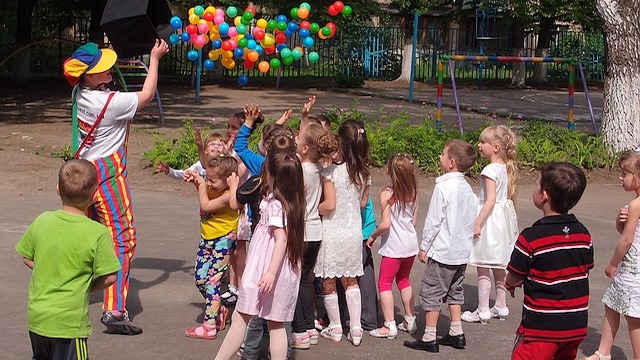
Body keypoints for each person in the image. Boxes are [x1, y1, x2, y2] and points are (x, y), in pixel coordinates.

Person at [62, 39, 169, 335]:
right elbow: (147, 95)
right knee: (122, 238)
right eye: (102, 68)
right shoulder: (110, 103)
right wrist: (156, 58)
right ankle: (114, 309)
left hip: (82, 170)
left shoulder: (79, 93)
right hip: (106, 172)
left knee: (86, 236)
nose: (109, 69)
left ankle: (72, 293)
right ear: (90, 76)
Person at [16, 159, 122, 359]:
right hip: (69, 324)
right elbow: (110, 277)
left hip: (38, 318)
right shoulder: (97, 233)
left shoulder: (43, 220)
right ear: (95, 195)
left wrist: (50, 270)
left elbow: (27, 257)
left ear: (57, 189)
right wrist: (85, 286)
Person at [214, 150, 306, 360]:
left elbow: (281, 239)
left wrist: (271, 273)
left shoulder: (276, 205)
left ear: (273, 176)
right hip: (279, 270)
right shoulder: (292, 203)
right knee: (276, 324)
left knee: (242, 318)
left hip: (265, 270)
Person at [506, 162, 592, 360]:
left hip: (542, 327)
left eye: (536, 183)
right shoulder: (583, 234)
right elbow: (584, 268)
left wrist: (510, 284)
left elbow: (515, 276)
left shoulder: (531, 237)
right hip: (576, 324)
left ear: (544, 195)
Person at [403, 139, 477, 353]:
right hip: (461, 252)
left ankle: (429, 336)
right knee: (455, 290)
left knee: (431, 291)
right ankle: (456, 332)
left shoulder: (443, 187)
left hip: (443, 251)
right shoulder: (467, 189)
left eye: (443, 155)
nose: (440, 158)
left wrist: (424, 246)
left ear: (451, 162)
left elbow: (434, 220)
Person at [314, 119, 371, 346]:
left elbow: (329, 205)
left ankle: (336, 327)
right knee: (351, 280)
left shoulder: (330, 172)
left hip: (332, 229)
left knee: (329, 280)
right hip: (353, 230)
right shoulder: (363, 172)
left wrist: (311, 210)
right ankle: (356, 329)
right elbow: (363, 203)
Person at [462, 124, 519, 324]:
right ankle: (501, 306)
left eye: (483, 142)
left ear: (495, 147)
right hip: (500, 221)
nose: (479, 145)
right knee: (498, 265)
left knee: (483, 265)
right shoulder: (504, 167)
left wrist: (477, 223)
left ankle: (483, 309)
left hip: (489, 220)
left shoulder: (489, 169)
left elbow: (490, 199)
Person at [586, 151, 640, 360]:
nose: (620, 177)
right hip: (633, 267)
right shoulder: (634, 205)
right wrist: (620, 222)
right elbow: (631, 234)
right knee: (612, 304)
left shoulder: (636, 205)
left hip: (633, 269)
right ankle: (603, 351)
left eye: (625, 173)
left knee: (634, 317)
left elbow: (626, 240)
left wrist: (612, 264)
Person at [182, 155, 239, 340]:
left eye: (212, 180)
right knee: (200, 279)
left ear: (228, 179)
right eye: (207, 178)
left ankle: (209, 325)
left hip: (224, 239)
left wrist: (200, 186)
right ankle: (218, 306)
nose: (208, 183)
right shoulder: (213, 185)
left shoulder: (229, 194)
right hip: (207, 238)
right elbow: (205, 189)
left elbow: (206, 205)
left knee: (213, 281)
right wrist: (196, 181)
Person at [366, 153, 419, 339]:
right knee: (404, 280)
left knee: (385, 283)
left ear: (390, 171)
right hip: (410, 244)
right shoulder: (413, 191)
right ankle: (410, 319)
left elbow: (385, 224)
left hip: (394, 247)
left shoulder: (387, 193)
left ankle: (389, 325)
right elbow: (413, 220)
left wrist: (372, 236)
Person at [290, 123, 332, 349]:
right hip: (315, 231)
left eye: (298, 138)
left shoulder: (301, 170)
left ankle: (299, 331)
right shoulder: (319, 169)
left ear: (305, 148)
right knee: (304, 281)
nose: (295, 140)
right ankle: (309, 328)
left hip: (301, 230)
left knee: (294, 282)